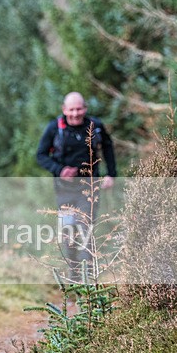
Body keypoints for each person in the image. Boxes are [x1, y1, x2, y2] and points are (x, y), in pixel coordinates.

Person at [36, 92, 117, 281]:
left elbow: (108, 147)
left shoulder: (95, 126)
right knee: (68, 233)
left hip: (89, 188)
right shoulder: (55, 128)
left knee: (85, 229)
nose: (75, 113)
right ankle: (74, 276)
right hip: (64, 191)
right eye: (71, 109)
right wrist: (60, 169)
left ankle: (89, 280)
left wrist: (111, 174)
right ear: (64, 110)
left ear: (85, 108)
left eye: (79, 109)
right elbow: (40, 155)